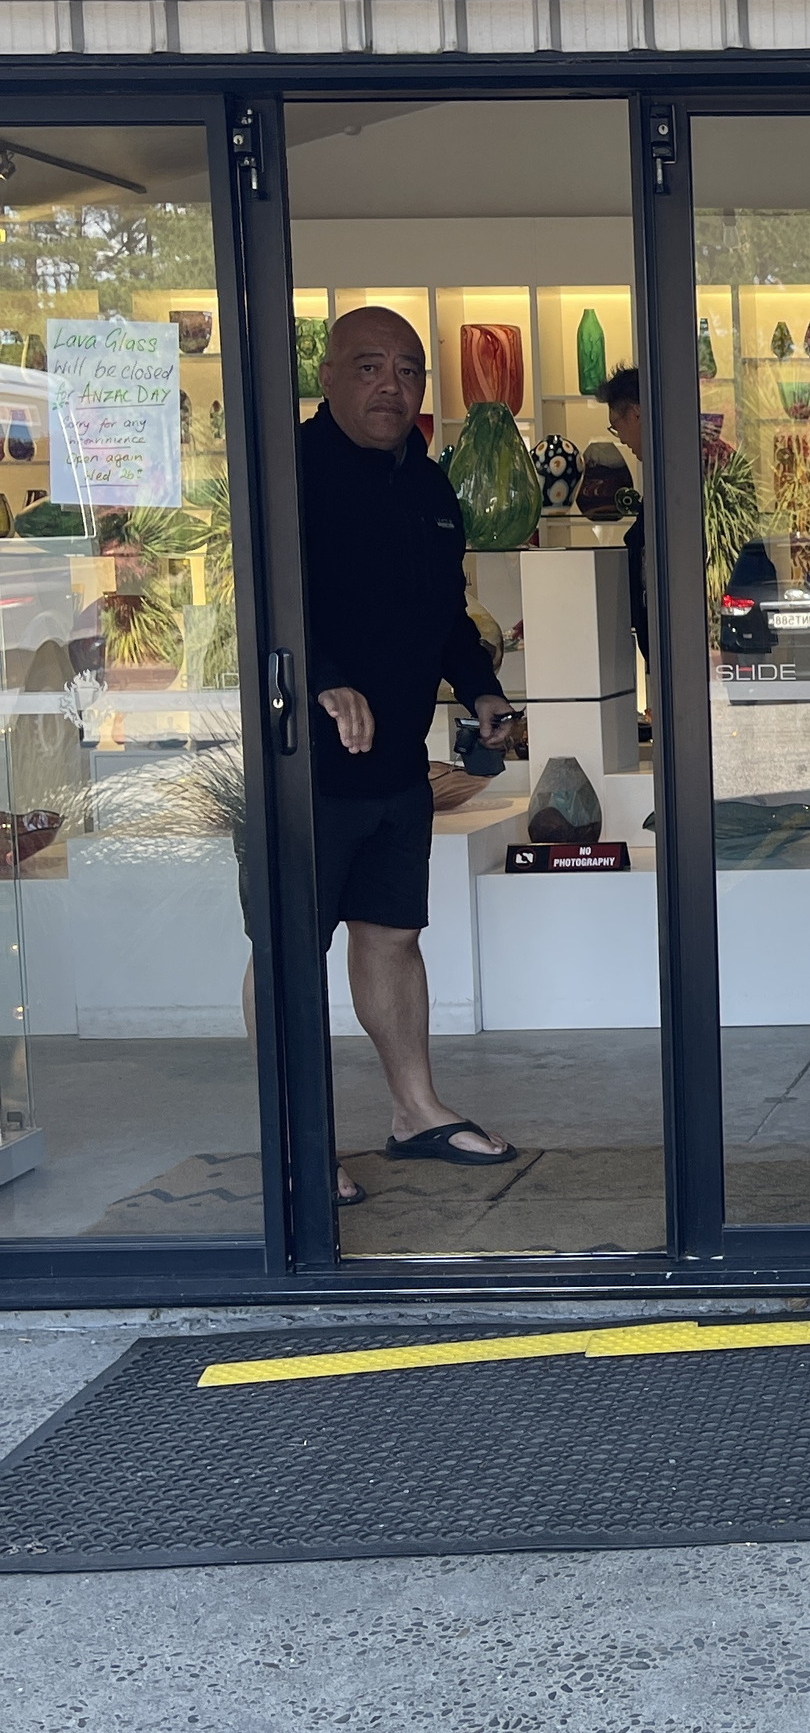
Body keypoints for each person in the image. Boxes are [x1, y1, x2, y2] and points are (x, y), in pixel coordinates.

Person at [291, 306, 522, 1198]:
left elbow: (444, 614)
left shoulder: (427, 484)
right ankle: (294, 1143)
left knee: (391, 935)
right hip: (300, 761)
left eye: (408, 369)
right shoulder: (291, 475)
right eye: (369, 366)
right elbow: (270, 604)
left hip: (395, 763)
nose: (391, 385)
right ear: (329, 377)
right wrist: (325, 680)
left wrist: (481, 688)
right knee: (290, 945)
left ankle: (415, 1112)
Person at [599, 365, 649, 663]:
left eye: (616, 425)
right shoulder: (664, 469)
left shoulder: (678, 469)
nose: (620, 438)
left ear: (636, 413)